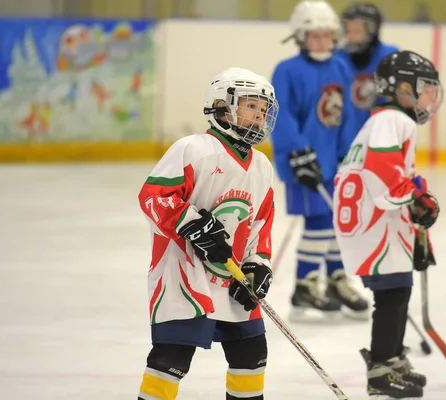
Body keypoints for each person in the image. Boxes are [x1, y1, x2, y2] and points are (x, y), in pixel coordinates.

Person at [136, 67, 279, 400]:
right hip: (184, 275)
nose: (258, 116)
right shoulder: (193, 149)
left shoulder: (261, 166)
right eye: (250, 106)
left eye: (263, 109)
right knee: (171, 359)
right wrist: (191, 222)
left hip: (232, 279)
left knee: (252, 355)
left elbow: (260, 223)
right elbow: (154, 196)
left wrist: (258, 263)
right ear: (222, 107)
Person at [333, 50, 444, 399]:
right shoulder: (393, 120)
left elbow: (396, 175)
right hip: (375, 221)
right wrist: (412, 197)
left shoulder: (387, 119)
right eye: (424, 88)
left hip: (379, 219)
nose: (429, 96)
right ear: (402, 87)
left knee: (398, 289)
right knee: (393, 293)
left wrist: (415, 203)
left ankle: (392, 359)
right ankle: (381, 370)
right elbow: (383, 172)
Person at [271, 0, 369, 320]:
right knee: (318, 222)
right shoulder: (287, 70)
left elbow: (345, 115)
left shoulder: (339, 67)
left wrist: (349, 153)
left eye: (327, 35)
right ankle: (305, 283)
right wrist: (297, 151)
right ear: (300, 37)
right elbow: (280, 114)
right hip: (302, 162)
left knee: (338, 223)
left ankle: (336, 278)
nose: (322, 42)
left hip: (333, 161)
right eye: (314, 36)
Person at [338, 3, 400, 129]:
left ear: (372, 31)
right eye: (348, 31)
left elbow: (396, 104)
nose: (350, 36)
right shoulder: (338, 58)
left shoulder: (389, 57)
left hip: (378, 135)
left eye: (357, 31)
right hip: (347, 136)